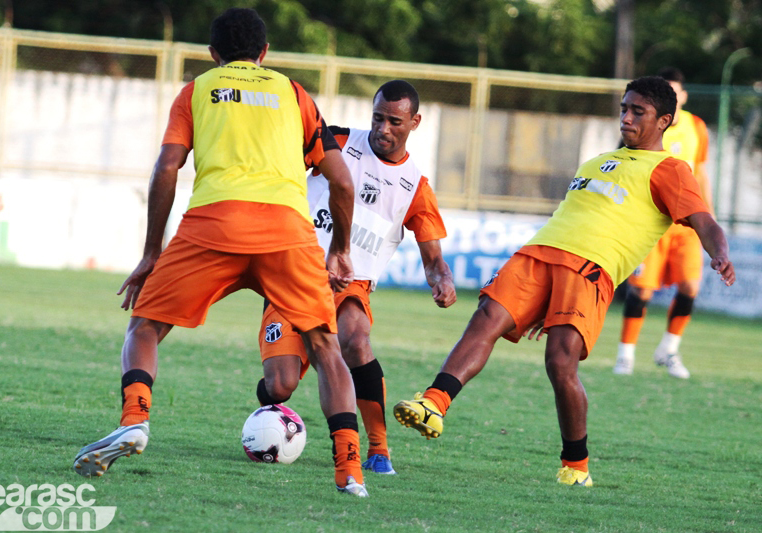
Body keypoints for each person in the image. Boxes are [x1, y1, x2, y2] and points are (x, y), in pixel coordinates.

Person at [73, 8, 370, 497]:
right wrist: (338, 249)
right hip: (287, 232)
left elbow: (166, 167)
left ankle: (134, 420)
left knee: (144, 327)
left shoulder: (196, 91)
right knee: (325, 348)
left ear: (212, 54)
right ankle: (350, 470)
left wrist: (151, 252)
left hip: (214, 225)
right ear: (265, 52)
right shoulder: (294, 93)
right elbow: (342, 181)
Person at [393, 76, 735, 487]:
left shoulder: (670, 169)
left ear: (664, 120)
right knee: (486, 317)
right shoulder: (597, 161)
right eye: (624, 109)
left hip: (590, 268)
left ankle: (576, 466)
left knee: (560, 362)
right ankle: (434, 403)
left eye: (637, 111)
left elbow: (704, 221)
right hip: (540, 252)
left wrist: (719, 253)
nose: (626, 117)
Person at [256, 80, 456, 476]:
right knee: (279, 387)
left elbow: (434, 257)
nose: (383, 129)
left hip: (352, 284)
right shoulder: (339, 142)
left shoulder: (415, 187)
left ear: (414, 122)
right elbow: (281, 164)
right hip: (295, 275)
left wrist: (442, 279)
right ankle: (267, 416)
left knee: (356, 339)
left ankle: (379, 450)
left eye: (394, 122)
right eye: (378, 118)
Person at [613, 67, 712, 379]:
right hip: (652, 223)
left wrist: (707, 214)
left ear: (683, 96)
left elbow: (701, 172)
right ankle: (625, 355)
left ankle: (668, 350)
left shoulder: (697, 126)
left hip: (686, 224)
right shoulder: (647, 125)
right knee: (641, 292)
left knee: (690, 286)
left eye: (674, 91)